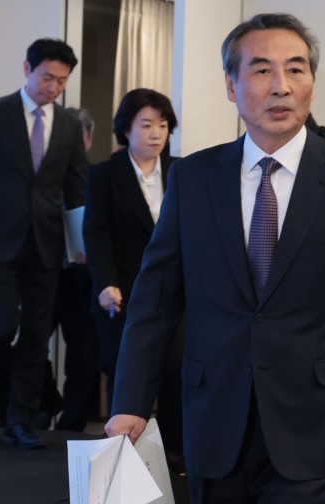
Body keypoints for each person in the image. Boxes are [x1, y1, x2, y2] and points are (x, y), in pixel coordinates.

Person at [105, 13, 325, 503]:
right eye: (263, 69)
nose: (281, 86)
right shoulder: (194, 178)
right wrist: (129, 401)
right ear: (231, 85)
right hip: (214, 415)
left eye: (296, 69)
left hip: (314, 419)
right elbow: (155, 301)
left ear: (311, 83)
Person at [0, 38, 87, 449]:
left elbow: (76, 189)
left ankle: (20, 421)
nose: (53, 87)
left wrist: (79, 244)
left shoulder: (68, 125)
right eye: (47, 77)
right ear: (27, 69)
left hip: (46, 245)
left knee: (35, 335)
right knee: (0, 328)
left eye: (61, 81)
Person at [82, 88, 185, 469]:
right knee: (124, 373)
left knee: (176, 372)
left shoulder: (180, 171)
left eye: (163, 125)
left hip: (174, 293)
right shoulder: (105, 174)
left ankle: (175, 455)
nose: (156, 133)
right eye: (146, 125)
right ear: (126, 129)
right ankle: (120, 463)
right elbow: (96, 233)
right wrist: (104, 283)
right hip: (122, 291)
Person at [41, 107, 100, 432]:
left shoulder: (99, 179)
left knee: (83, 354)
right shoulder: (43, 177)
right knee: (28, 343)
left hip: (83, 278)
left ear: (88, 140)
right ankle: (46, 402)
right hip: (45, 274)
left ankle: (72, 424)